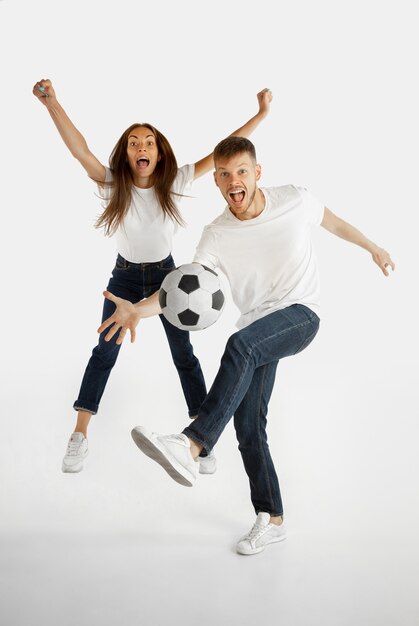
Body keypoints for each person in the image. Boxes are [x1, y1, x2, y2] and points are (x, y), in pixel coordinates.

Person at [96, 136, 395, 555]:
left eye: (240, 171)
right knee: (249, 426)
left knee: (240, 345)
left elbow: (333, 222)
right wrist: (137, 311)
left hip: (301, 313)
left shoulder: (294, 200)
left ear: (257, 173)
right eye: (223, 174)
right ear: (216, 182)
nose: (233, 181)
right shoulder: (216, 234)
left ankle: (192, 444)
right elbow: (181, 287)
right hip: (259, 328)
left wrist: (373, 248)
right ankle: (271, 518)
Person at [33, 79, 273, 474]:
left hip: (169, 279)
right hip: (124, 279)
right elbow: (79, 150)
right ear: (125, 155)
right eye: (133, 142)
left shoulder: (174, 181)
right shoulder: (113, 184)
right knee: (104, 353)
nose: (141, 147)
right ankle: (79, 434)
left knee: (184, 356)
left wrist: (260, 115)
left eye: (148, 142)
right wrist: (52, 105)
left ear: (159, 153)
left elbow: (222, 152)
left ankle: (201, 439)